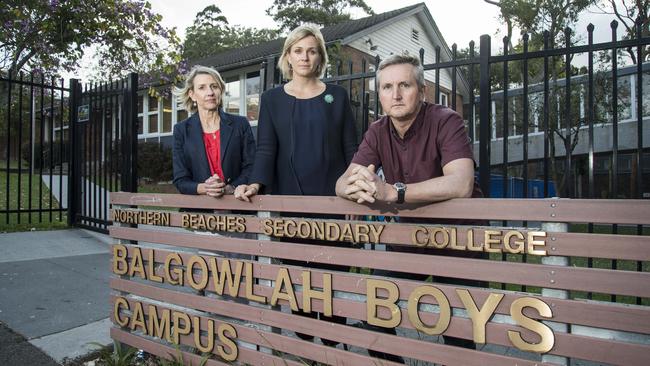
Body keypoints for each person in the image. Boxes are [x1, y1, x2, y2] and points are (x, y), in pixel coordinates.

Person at [335, 53, 484, 363]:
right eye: (387, 87)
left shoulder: (446, 120)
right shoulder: (377, 130)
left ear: (423, 91)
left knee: (457, 335)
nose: (396, 94)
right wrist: (355, 190)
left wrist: (393, 192)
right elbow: (342, 183)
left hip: (456, 239)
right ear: (380, 96)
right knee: (375, 312)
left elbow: (460, 184)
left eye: (405, 84)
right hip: (408, 236)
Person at [235, 24, 358, 346]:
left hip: (334, 206)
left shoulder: (337, 97)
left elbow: (351, 151)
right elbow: (265, 149)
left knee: (333, 287)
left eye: (312, 50)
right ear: (287, 56)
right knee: (298, 287)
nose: (305, 56)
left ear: (320, 57)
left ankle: (333, 349)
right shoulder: (272, 99)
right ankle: (306, 349)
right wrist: (255, 183)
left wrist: (355, 199)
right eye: (298, 50)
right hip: (290, 208)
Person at [173, 65, 255, 197]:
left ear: (220, 90)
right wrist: (206, 188)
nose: (210, 92)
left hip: (237, 205)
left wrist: (231, 188)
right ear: (192, 95)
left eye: (214, 86)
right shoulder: (181, 130)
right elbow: (180, 179)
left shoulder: (240, 124)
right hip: (198, 212)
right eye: (202, 87)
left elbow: (251, 167)